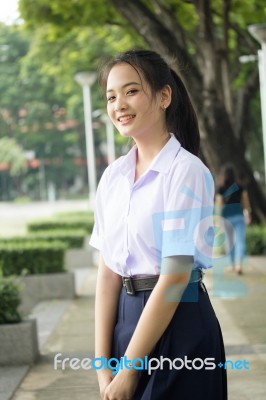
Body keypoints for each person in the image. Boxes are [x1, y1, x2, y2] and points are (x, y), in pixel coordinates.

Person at [89, 49, 227, 400]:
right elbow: (107, 273)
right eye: (111, 95)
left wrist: (129, 372)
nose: (119, 103)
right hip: (125, 320)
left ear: (165, 96)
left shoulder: (186, 171)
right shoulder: (113, 177)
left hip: (179, 323)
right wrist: (104, 366)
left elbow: (176, 275)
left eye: (131, 91)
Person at [216, 163, 251, 275]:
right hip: (239, 216)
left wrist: (218, 218)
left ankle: (231, 265)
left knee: (229, 241)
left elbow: (220, 203)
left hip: (226, 217)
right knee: (240, 241)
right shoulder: (240, 186)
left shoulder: (221, 188)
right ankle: (238, 265)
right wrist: (248, 212)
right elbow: (245, 200)